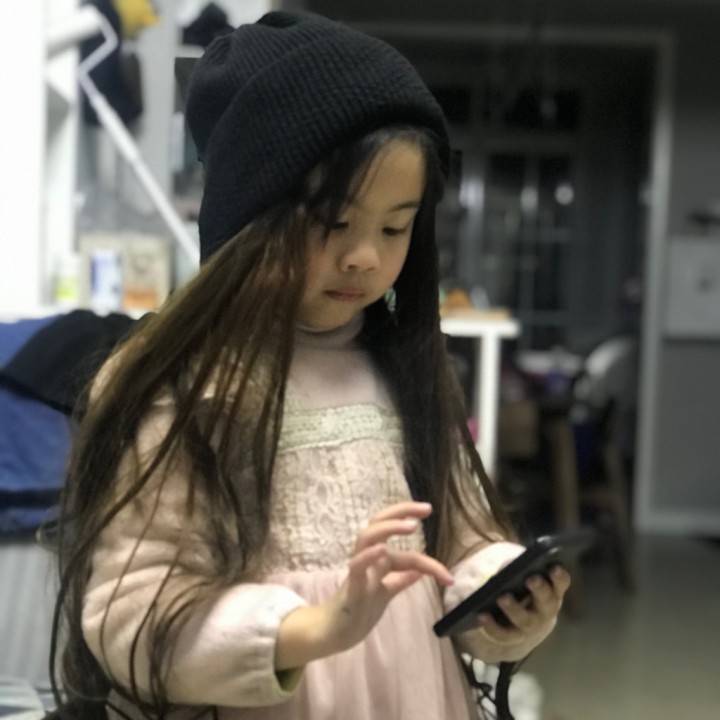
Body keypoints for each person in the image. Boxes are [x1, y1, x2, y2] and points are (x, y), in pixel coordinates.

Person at [49, 11, 570, 720]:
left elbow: (462, 542)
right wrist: (316, 629)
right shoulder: (185, 388)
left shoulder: (407, 374)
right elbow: (132, 619)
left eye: (395, 226)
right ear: (251, 219)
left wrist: (501, 593)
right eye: (335, 223)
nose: (365, 256)